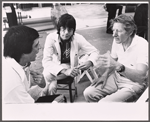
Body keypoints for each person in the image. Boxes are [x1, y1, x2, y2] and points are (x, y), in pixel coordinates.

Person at [84, 14, 148, 102]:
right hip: (117, 77)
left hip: (133, 83)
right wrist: (105, 75)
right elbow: (113, 61)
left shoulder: (142, 44)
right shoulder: (118, 40)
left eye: (118, 31)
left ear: (130, 32)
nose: (114, 35)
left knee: (104, 103)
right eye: (113, 30)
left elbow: (141, 77)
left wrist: (119, 66)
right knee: (89, 93)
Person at [3, 25, 66, 103]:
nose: (39, 48)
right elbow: (32, 110)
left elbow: (27, 90)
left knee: (54, 91)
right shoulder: (13, 83)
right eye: (36, 45)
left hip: (23, 100)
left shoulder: (20, 62)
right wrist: (55, 104)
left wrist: (42, 84)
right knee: (60, 100)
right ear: (23, 51)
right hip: (21, 111)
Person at [42, 13, 99, 96]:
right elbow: (46, 61)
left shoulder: (78, 38)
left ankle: (49, 89)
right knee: (48, 77)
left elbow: (94, 51)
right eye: (63, 29)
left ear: (74, 30)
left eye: (69, 30)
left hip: (70, 67)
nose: (66, 33)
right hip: (54, 66)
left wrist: (90, 62)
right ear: (58, 29)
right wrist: (64, 71)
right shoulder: (50, 38)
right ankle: (52, 85)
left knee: (48, 78)